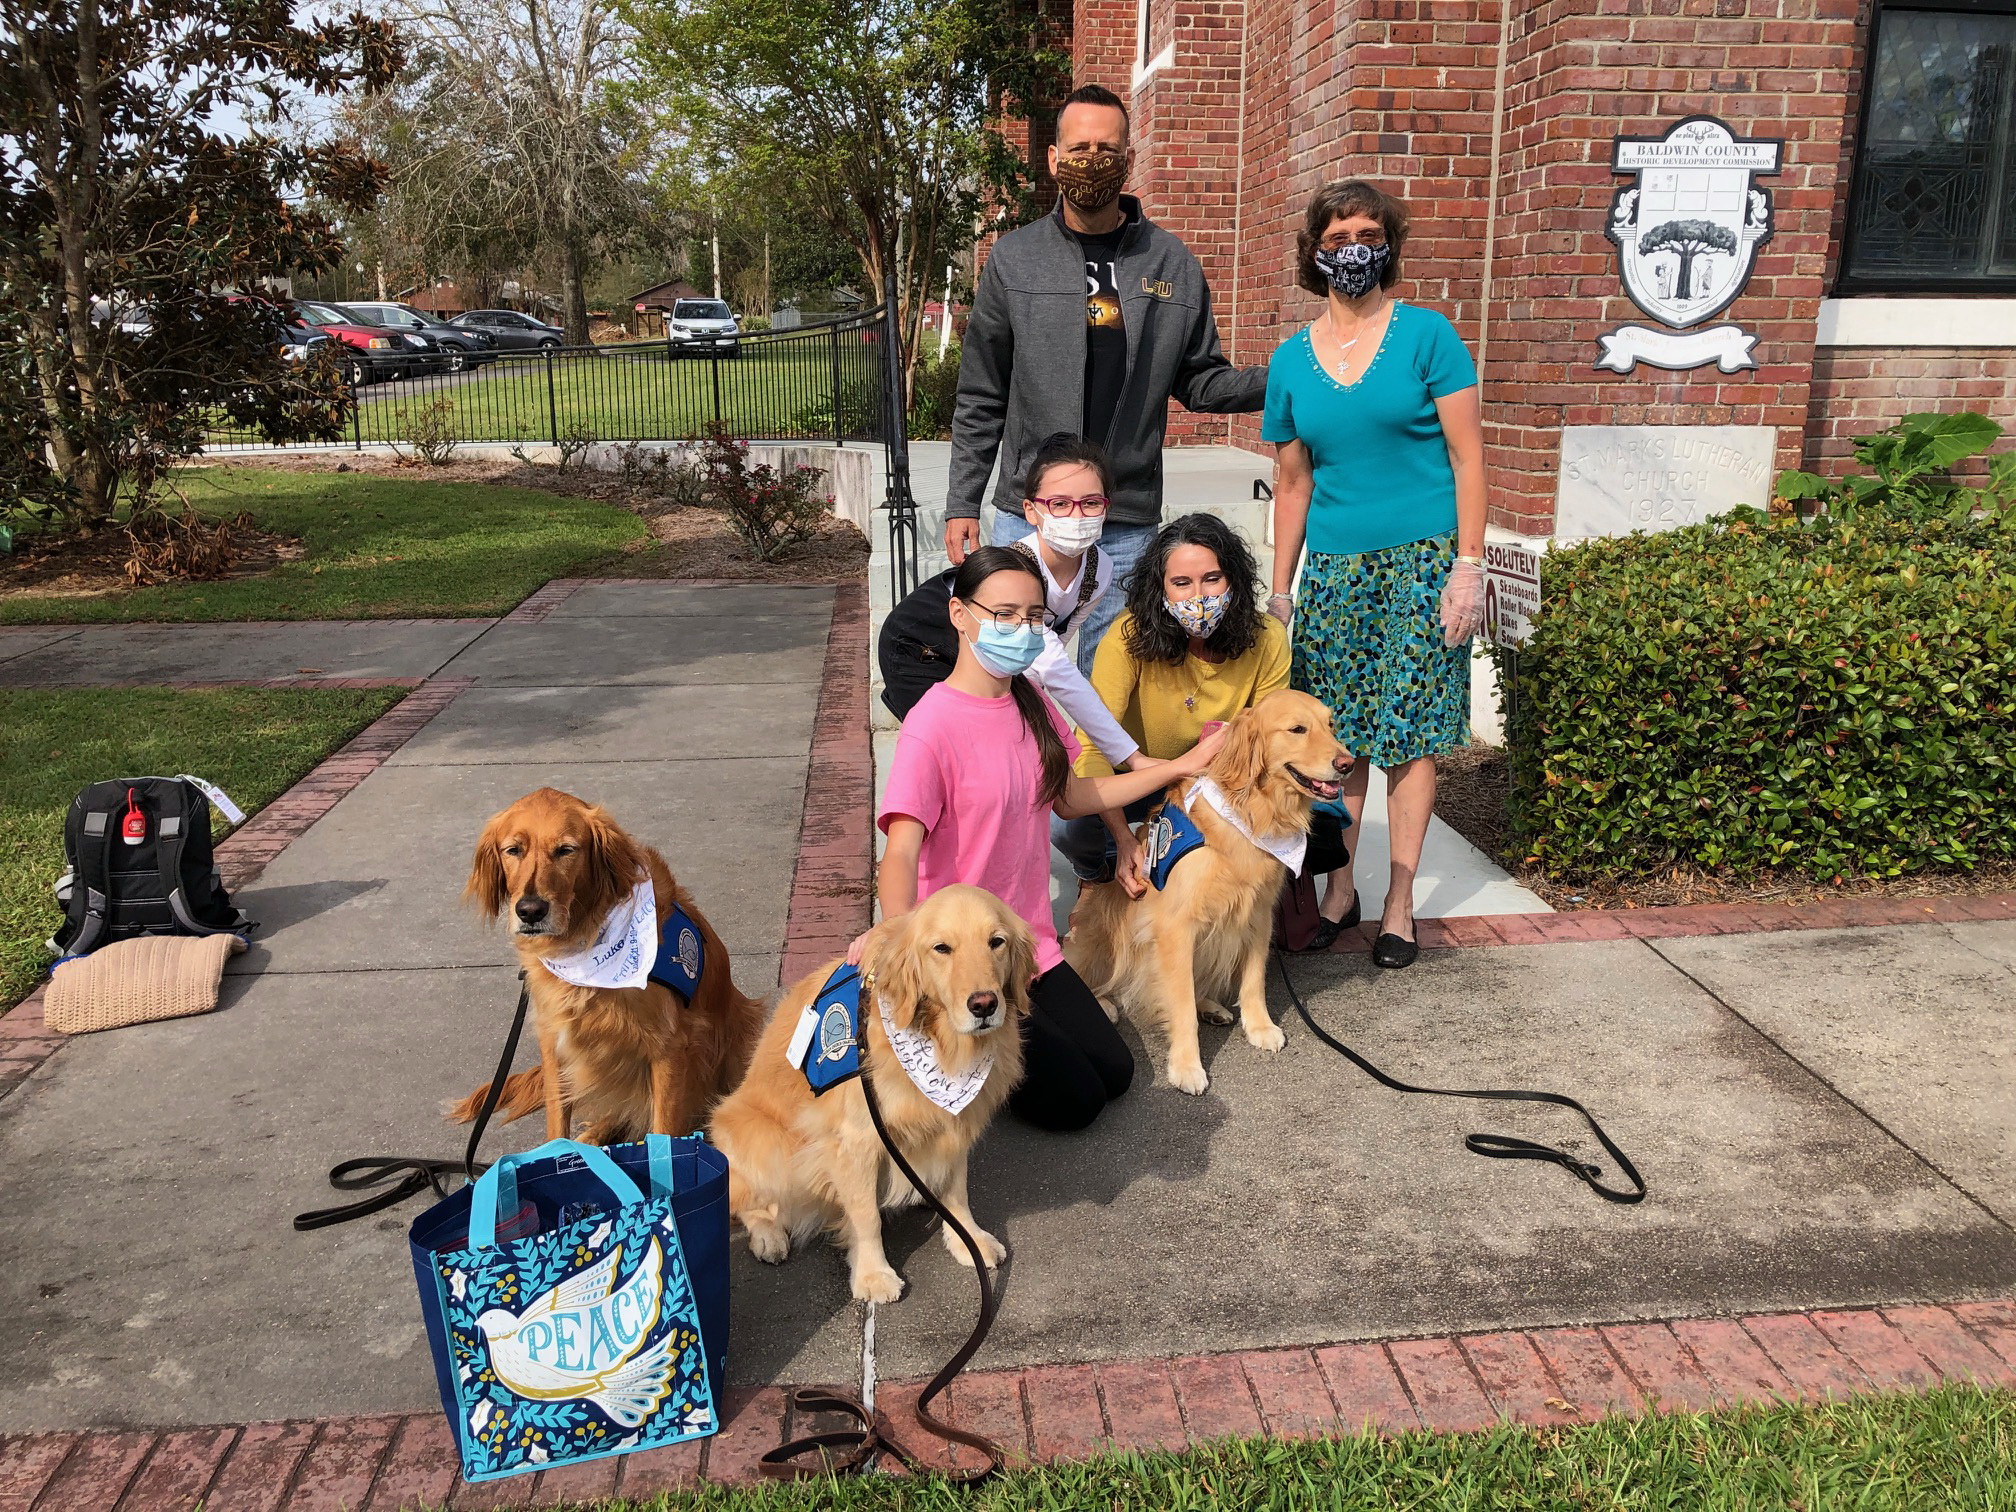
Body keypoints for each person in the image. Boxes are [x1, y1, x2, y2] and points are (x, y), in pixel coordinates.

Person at [873, 547, 1227, 1131]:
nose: (1022, 629)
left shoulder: (1030, 701)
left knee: (1115, 1074)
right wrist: (897, 942)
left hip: (1025, 945)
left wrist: (1176, 768)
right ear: (960, 615)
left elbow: (1070, 796)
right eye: (1004, 614)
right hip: (965, 952)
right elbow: (902, 851)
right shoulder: (930, 726)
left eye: (1034, 616)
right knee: (1076, 1104)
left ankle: (988, 1056)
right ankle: (964, 1054)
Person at [945, 83, 1268, 675]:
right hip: (1032, 510)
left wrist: (1290, 376)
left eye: (1106, 149)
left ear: (1128, 158)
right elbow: (982, 394)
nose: (1092, 160)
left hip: (1125, 516)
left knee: (1111, 681)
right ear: (1054, 158)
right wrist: (962, 501)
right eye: (1079, 148)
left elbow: (1201, 381)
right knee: (1014, 672)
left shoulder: (1171, 262)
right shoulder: (1014, 259)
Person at [1263, 180, 1487, 968]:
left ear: (1388, 246)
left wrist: (1468, 567)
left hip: (1424, 566)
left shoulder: (1429, 336)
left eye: (1367, 235)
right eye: (1336, 238)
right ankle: (1340, 892)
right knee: (1340, 738)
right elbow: (1294, 483)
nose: (1352, 250)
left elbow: (1468, 458)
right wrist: (1281, 591)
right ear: (1314, 251)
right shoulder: (1290, 361)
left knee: (1412, 736)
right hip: (1334, 572)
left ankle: (1398, 902)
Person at [1054, 513, 1293, 886]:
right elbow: (1093, 746)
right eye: (1181, 583)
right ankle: (1098, 874)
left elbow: (1270, 739)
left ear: (1235, 580)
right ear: (1160, 589)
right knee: (1066, 825)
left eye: (1212, 579)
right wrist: (1123, 838)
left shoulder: (1268, 637)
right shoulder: (1127, 637)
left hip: (1219, 781)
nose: (1199, 597)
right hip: (1134, 777)